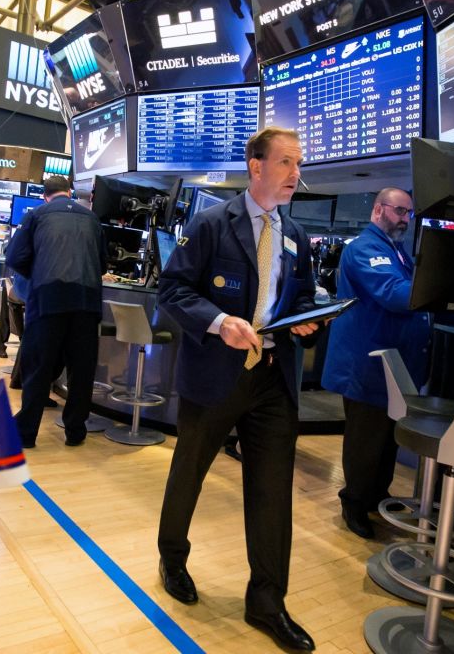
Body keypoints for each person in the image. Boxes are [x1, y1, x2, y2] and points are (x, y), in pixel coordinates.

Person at [156, 126, 320, 652]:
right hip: (217, 374)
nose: (297, 174)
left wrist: (307, 320)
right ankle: (172, 557)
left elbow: (304, 298)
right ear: (257, 166)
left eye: (299, 164)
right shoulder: (210, 224)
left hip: (273, 377)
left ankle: (267, 601)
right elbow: (173, 290)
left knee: (273, 491)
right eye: (288, 163)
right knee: (191, 472)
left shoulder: (295, 234)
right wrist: (219, 320)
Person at [321, 188, 432, 538]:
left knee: (387, 439)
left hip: (393, 366)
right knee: (365, 441)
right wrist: (437, 290)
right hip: (368, 363)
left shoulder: (396, 251)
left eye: (408, 213)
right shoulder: (365, 248)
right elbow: (394, 294)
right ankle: (353, 502)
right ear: (378, 210)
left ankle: (376, 496)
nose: (404, 219)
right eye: (399, 211)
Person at [4, 175, 107, 448]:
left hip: (48, 300)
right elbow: (103, 264)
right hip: (86, 302)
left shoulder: (37, 215)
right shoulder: (92, 219)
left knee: (38, 367)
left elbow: (15, 258)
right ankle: (75, 432)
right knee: (81, 370)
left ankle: (26, 433)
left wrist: (38, 276)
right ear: (70, 192)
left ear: (44, 195)